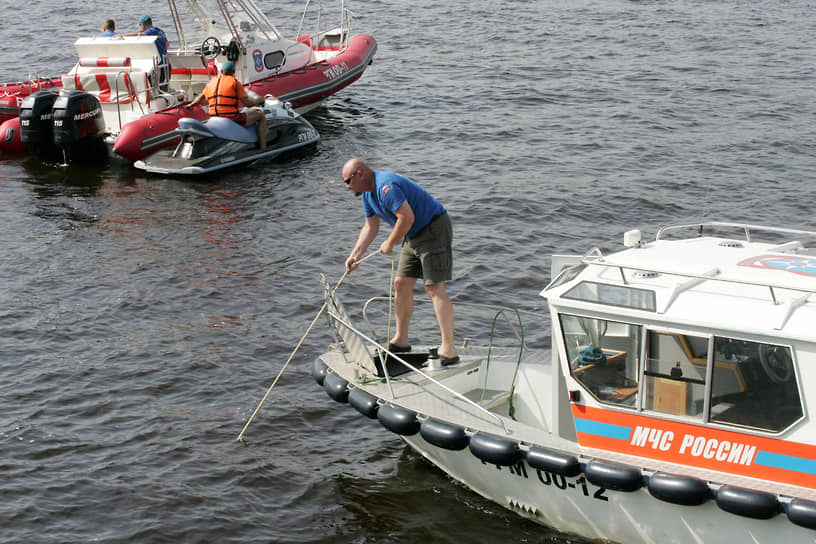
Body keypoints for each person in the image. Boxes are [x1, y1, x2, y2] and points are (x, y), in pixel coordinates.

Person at [343, 158, 459, 365]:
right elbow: (370, 226)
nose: (347, 187)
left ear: (360, 174)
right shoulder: (367, 195)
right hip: (412, 235)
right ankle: (401, 340)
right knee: (401, 284)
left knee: (433, 287)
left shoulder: (386, 187)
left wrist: (390, 242)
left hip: (433, 228)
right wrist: (355, 255)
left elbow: (406, 217)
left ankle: (448, 348)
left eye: (348, 181)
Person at [187, 61, 267, 149]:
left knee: (243, 112)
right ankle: (263, 148)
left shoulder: (212, 82)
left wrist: (191, 104)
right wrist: (257, 103)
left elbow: (201, 97)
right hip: (231, 118)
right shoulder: (235, 82)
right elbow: (247, 104)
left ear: (221, 71)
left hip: (214, 117)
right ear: (233, 72)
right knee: (260, 115)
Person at [137, 15, 170, 89]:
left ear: (143, 25)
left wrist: (123, 35)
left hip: (159, 65)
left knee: (155, 88)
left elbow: (141, 35)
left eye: (140, 25)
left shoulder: (151, 32)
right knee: (164, 87)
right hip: (166, 63)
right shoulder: (160, 31)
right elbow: (167, 45)